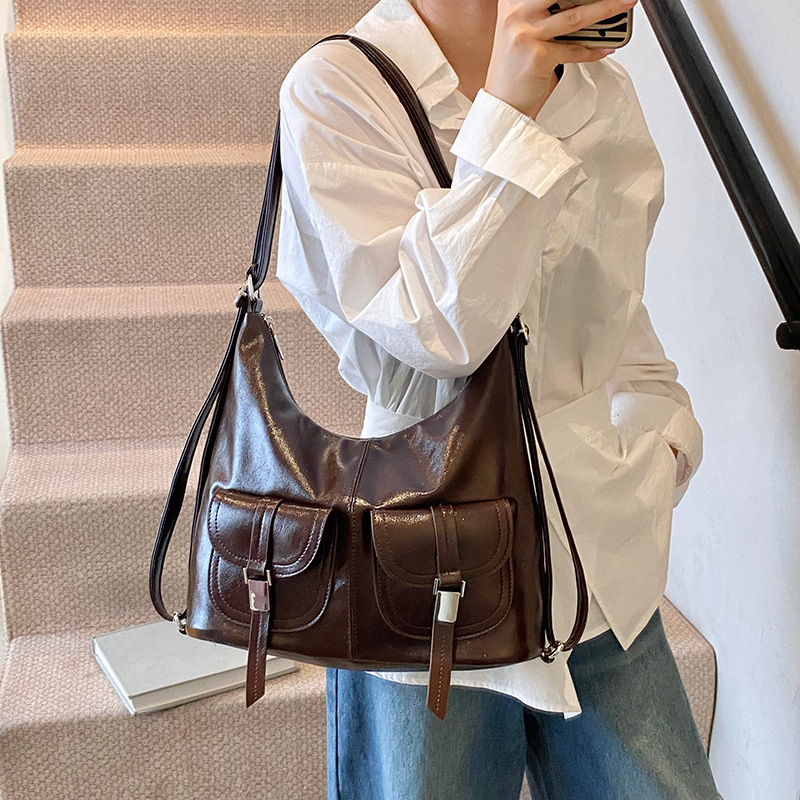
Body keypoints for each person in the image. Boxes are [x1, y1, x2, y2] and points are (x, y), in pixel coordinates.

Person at [275, 0, 721, 797]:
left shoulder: (598, 89)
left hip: (595, 564)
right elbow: (437, 335)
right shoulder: (340, 86)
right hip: (423, 588)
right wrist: (509, 112)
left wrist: (665, 444)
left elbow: (613, 310)